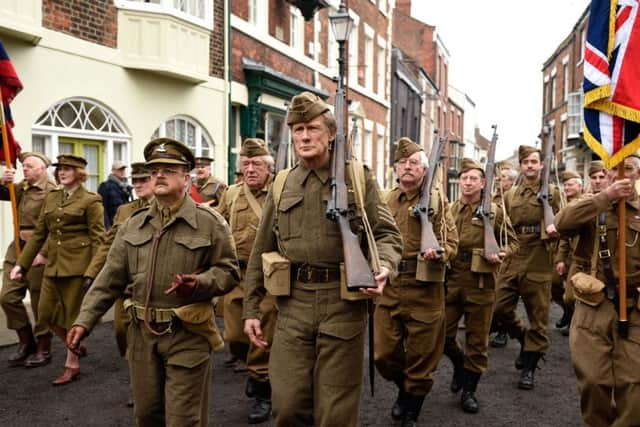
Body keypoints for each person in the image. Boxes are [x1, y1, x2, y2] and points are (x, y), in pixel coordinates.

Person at [243, 91, 402, 427]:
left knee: (335, 413)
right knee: (287, 406)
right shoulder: (282, 183)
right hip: (292, 306)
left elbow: (388, 234)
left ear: (331, 133)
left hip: (342, 305)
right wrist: (251, 309)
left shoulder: (357, 178)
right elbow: (260, 249)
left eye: (312, 128)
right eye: (297, 129)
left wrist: (383, 267)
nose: (304, 136)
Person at [66, 138, 240, 426]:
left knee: (184, 419)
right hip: (142, 336)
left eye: (168, 169)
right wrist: (84, 321)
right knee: (147, 416)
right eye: (154, 169)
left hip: (187, 333)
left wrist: (198, 283)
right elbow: (110, 278)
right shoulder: (133, 224)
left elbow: (229, 272)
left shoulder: (210, 222)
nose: (159, 174)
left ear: (186, 177)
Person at [374, 137, 458, 426]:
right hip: (391, 284)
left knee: (422, 357)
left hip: (425, 285)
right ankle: (404, 388)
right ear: (396, 169)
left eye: (414, 163)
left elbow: (452, 242)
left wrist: (440, 252)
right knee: (383, 354)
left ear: (425, 170)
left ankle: (412, 405)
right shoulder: (384, 200)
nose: (407, 167)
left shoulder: (437, 200)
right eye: (402, 163)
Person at [554, 155, 640, 426]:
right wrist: (606, 197)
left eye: (627, 168)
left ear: (637, 174)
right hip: (594, 306)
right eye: (613, 169)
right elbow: (562, 223)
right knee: (593, 382)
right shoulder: (591, 204)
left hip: (635, 308)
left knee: (634, 386)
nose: (619, 174)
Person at [10, 154, 106, 385]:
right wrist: (21, 264)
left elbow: (99, 239)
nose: (62, 172)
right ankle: (74, 344)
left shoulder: (91, 200)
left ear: (80, 173)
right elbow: (40, 234)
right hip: (53, 264)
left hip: (78, 267)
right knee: (45, 315)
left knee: (73, 317)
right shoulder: (52, 197)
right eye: (60, 169)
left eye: (68, 169)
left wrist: (93, 272)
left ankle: (71, 365)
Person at [444, 158, 518, 414]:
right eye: (464, 178)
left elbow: (513, 242)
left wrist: (500, 254)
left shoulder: (495, 212)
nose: (467, 182)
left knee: (477, 339)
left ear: (483, 183)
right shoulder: (450, 209)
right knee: (442, 335)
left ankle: (469, 390)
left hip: (481, 282)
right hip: (452, 280)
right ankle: (458, 362)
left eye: (473, 178)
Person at [491, 145, 560, 390]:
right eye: (525, 162)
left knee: (538, 318)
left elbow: (563, 225)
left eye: (534, 161)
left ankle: (530, 367)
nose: (530, 165)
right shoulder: (511, 195)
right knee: (499, 308)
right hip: (514, 255)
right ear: (520, 166)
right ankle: (523, 338)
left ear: (541, 165)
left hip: (540, 257)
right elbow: (502, 226)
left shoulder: (552, 193)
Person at [217, 138, 275, 424]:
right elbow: (218, 227)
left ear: (269, 167)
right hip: (237, 275)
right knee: (234, 336)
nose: (250, 169)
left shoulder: (281, 191)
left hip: (268, 278)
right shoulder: (231, 194)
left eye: (257, 164)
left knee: (261, 337)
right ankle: (253, 370)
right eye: (246, 164)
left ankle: (263, 392)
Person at [1, 152, 56, 367]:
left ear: (42, 169)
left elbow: (54, 227)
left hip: (38, 247)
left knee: (39, 300)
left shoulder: (52, 192)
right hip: (17, 247)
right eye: (23, 166)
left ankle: (44, 345)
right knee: (7, 297)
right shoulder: (21, 187)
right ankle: (26, 341)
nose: (24, 169)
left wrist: (43, 253)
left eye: (30, 166)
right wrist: (3, 181)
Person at [552, 170, 584, 335]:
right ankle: (569, 313)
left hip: (581, 256)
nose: (567, 187)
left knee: (571, 296)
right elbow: (564, 237)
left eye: (571, 184)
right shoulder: (565, 203)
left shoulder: (586, 203)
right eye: (565, 185)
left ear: (580, 186)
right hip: (568, 254)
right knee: (554, 284)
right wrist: (560, 259)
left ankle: (575, 323)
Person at [98, 161, 132, 229]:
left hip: (125, 224)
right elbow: (102, 208)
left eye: (123, 169)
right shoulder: (105, 186)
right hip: (112, 225)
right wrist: (107, 227)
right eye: (119, 170)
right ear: (113, 171)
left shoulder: (126, 186)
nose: (122, 171)